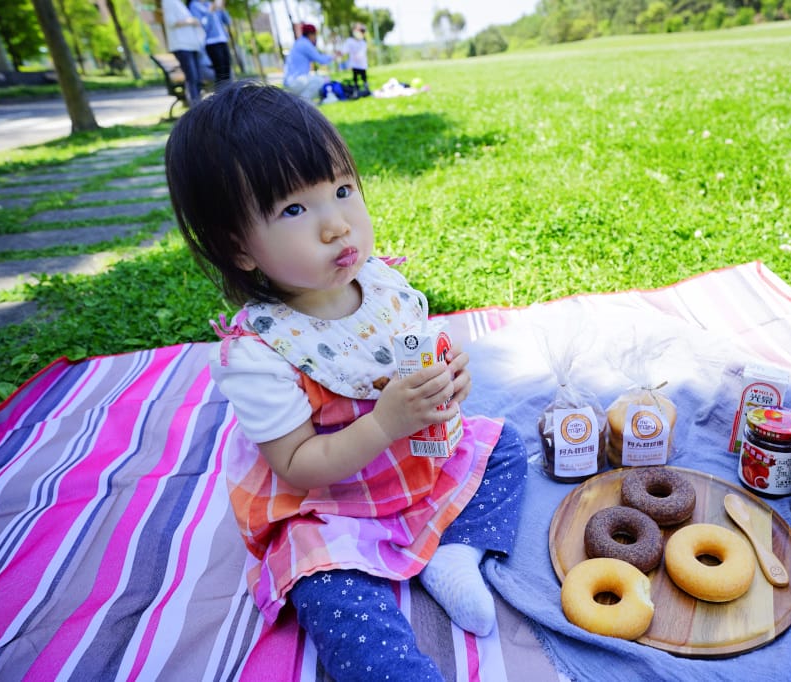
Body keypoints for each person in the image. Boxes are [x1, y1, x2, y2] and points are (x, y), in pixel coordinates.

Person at [164, 81, 526, 682]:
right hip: (334, 502)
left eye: (342, 189)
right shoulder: (259, 353)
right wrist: (386, 422)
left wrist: (449, 377)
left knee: (505, 445)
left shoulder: (381, 285)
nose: (337, 225)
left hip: (419, 465)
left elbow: (419, 352)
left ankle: (455, 553)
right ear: (240, 248)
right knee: (320, 581)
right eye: (294, 210)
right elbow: (297, 465)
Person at [162, 0, 205, 107]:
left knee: (198, 78)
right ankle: (195, 108)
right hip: (181, 45)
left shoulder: (180, 3)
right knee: (192, 78)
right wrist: (191, 21)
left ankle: (199, 106)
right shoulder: (168, 2)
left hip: (192, 46)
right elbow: (171, 22)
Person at [283, 23, 334, 101]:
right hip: (295, 82)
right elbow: (321, 60)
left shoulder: (299, 42)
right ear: (310, 34)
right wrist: (333, 56)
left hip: (290, 83)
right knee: (320, 80)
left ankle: (301, 103)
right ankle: (304, 103)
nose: (315, 38)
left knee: (315, 81)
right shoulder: (305, 44)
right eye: (315, 35)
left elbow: (315, 58)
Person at [188, 0, 232, 89]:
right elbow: (204, 26)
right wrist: (210, 12)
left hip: (223, 40)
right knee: (220, 71)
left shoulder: (209, 4)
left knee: (227, 70)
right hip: (211, 42)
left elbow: (228, 21)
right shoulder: (194, 6)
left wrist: (222, 8)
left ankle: (229, 96)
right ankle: (221, 97)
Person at [340, 22, 370, 95]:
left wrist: (358, 55)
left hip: (362, 64)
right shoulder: (350, 41)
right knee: (355, 77)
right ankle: (356, 89)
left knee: (364, 77)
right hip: (354, 64)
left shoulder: (363, 42)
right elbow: (344, 49)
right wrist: (341, 53)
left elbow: (362, 52)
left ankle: (366, 87)